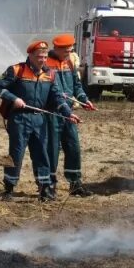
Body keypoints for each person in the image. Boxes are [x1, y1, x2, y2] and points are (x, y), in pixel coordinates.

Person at [0, 41, 80, 201]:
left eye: (45, 56)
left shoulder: (51, 75)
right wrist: (14, 99)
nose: (43, 60)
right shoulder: (16, 70)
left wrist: (68, 113)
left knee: (42, 153)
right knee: (16, 154)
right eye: (39, 56)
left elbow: (58, 98)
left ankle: (45, 189)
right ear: (30, 55)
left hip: (40, 119)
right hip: (19, 118)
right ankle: (9, 188)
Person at [45, 34, 96, 197]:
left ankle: (75, 184)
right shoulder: (46, 63)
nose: (69, 53)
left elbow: (76, 85)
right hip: (52, 112)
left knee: (73, 147)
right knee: (52, 149)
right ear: (57, 49)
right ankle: (48, 185)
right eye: (66, 50)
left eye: (70, 50)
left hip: (69, 112)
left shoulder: (70, 62)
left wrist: (84, 100)